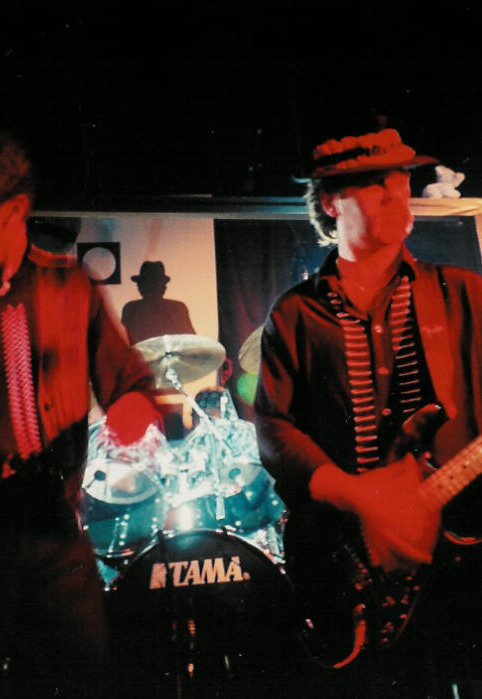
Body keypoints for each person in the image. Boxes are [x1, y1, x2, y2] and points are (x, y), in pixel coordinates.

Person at [0, 131, 162, 698]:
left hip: (52, 532)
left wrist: (133, 407)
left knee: (82, 676)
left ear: (13, 211)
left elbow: (128, 381)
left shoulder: (70, 286)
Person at [254, 129, 482, 698]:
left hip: (457, 549)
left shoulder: (463, 294)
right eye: (377, 184)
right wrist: (356, 494)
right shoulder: (295, 314)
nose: (398, 191)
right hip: (348, 559)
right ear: (332, 202)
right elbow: (275, 430)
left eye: (401, 180)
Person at [121, 260, 195, 344]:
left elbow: (190, 340)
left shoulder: (131, 308)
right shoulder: (131, 308)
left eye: (151, 283)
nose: (139, 287)